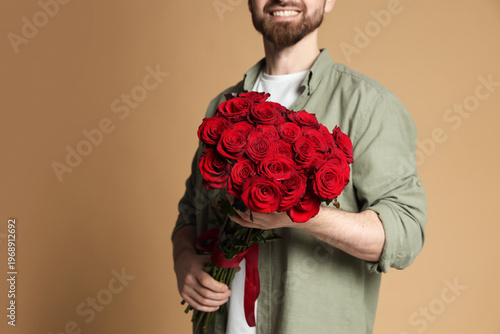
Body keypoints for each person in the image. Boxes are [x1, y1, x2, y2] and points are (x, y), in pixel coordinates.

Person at [172, 0, 428, 333]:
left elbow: (405, 233)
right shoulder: (223, 106)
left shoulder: (368, 105)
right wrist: (183, 258)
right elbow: (191, 211)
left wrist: (304, 215)